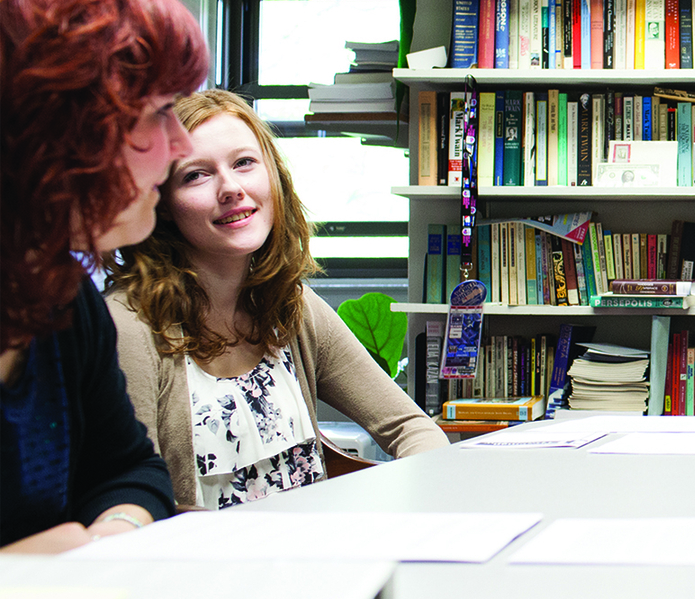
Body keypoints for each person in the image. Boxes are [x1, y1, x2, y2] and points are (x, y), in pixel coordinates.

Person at [105, 89, 447, 510]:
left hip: (319, 563)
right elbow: (131, 499)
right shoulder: (128, 327)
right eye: (196, 174)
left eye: (244, 163)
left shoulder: (291, 304)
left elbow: (413, 428)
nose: (230, 188)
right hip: (200, 569)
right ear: (163, 205)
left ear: (273, 176)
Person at [1, 0, 208, 553]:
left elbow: (128, 471)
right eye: (157, 112)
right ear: (54, 133)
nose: (182, 145)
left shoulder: (60, 297)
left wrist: (108, 537)